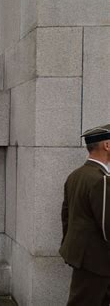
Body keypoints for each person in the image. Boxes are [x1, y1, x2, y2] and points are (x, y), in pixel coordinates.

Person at [60, 124, 110, 306]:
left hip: (83, 257)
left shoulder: (75, 175)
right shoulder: (101, 179)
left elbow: (66, 217)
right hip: (97, 261)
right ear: (107, 145)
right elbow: (108, 226)